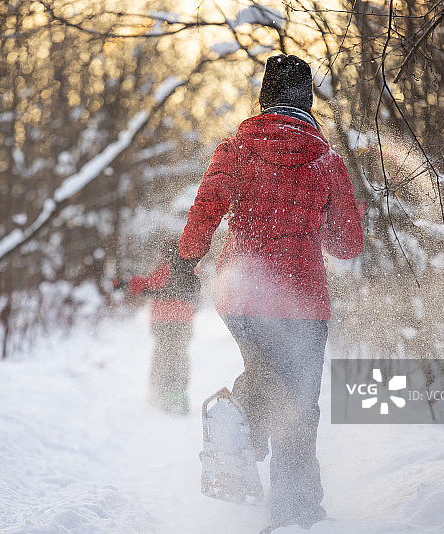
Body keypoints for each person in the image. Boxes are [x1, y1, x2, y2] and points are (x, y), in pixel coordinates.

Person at [170, 54, 363, 530]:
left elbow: (205, 210)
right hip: (304, 304)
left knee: (265, 371)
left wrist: (185, 262)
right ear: (307, 100)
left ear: (265, 97)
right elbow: (347, 245)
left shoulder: (236, 147)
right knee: (300, 403)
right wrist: (316, 220)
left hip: (243, 296)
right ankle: (296, 511)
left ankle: (243, 425)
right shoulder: (327, 160)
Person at [118, 240, 200, 415]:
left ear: (165, 253)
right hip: (184, 322)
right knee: (180, 355)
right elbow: (197, 295)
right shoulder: (190, 270)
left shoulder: (163, 269)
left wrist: (124, 283)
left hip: (163, 322)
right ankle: (179, 393)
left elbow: (148, 284)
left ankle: (159, 393)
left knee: (162, 356)